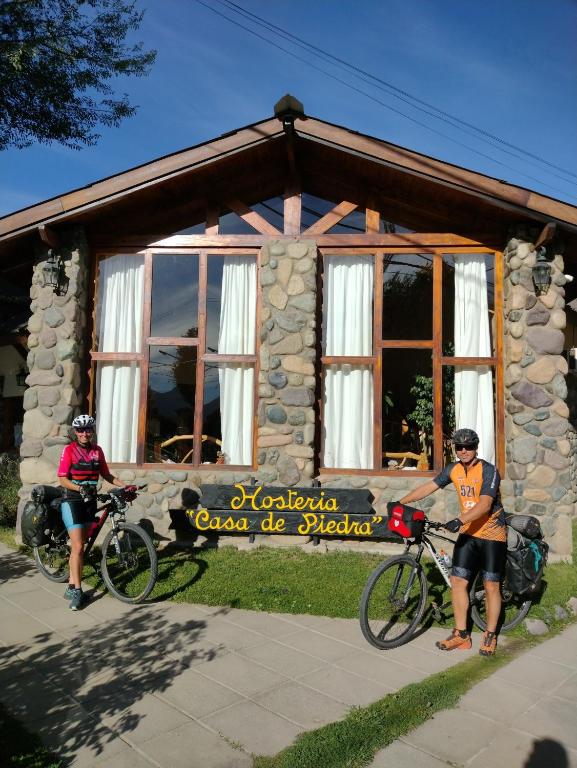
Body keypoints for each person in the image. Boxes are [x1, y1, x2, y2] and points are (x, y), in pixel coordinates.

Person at [398, 427, 506, 656]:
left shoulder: (489, 471)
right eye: (459, 447)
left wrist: (459, 520)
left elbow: (485, 504)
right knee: (458, 582)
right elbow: (429, 487)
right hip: (468, 532)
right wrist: (400, 502)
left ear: (476, 448)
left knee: (491, 586)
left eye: (468, 447)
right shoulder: (454, 469)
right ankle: (461, 635)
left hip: (492, 534)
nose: (464, 451)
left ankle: (490, 634)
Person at [57, 414, 125, 610]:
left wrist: (125, 485)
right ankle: (78, 592)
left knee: (82, 544)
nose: (85, 433)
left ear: (92, 431)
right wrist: (79, 488)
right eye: (81, 430)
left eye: (88, 429)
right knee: (78, 546)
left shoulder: (97, 451)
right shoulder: (69, 450)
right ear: (75, 432)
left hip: (90, 501)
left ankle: (71, 583)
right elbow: (62, 478)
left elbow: (106, 474)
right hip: (72, 500)